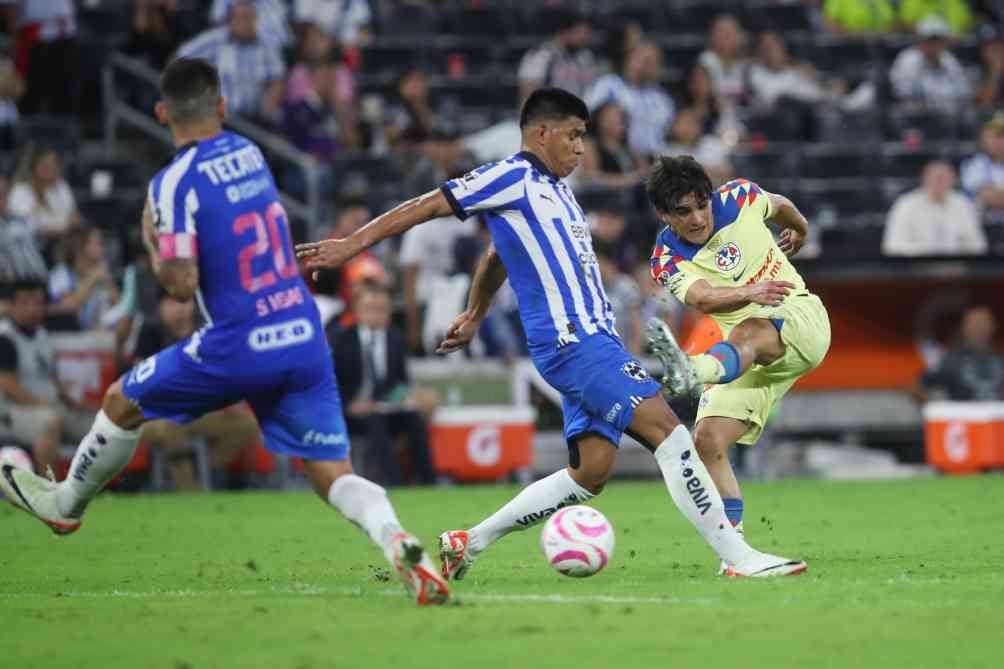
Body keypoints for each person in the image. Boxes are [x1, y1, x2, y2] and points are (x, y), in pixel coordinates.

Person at [297, 87, 808, 579]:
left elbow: (499, 253)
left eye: (584, 137)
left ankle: (468, 542)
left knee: (591, 473)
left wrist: (476, 311)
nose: (581, 148)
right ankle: (738, 554)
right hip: (573, 344)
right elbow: (429, 203)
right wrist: (351, 244)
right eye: (574, 136)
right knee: (669, 433)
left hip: (593, 341)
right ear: (542, 132)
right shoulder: (511, 176)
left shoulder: (557, 192)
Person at [0, 58, 449, 606]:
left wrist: (150, 237)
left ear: (161, 112)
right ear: (223, 106)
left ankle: (66, 506)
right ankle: (397, 539)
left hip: (237, 340)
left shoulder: (171, 184)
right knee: (332, 471)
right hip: (301, 332)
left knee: (121, 401)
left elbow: (182, 286)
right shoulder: (250, 152)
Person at [645, 156, 830, 574]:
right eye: (683, 211)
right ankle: (737, 555)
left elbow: (780, 203)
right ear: (663, 215)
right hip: (743, 354)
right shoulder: (665, 257)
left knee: (748, 329)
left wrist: (800, 230)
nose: (697, 217)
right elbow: (704, 298)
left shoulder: (741, 196)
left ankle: (692, 372)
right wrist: (752, 289)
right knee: (707, 441)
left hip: (801, 321)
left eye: (701, 205)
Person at [131, 293, 261, 492]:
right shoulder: (150, 330)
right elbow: (140, 385)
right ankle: (190, 490)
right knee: (171, 427)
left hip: (197, 412)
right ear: (161, 307)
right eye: (174, 303)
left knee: (247, 424)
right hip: (154, 416)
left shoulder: (204, 331)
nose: (181, 309)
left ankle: (205, 468)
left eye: (185, 302)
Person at [331, 281, 436, 486]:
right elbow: (332, 384)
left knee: (415, 419)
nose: (376, 314)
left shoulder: (394, 338)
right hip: (353, 411)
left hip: (387, 407)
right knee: (374, 422)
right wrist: (350, 405)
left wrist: (405, 398)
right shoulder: (342, 339)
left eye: (381, 310)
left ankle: (428, 482)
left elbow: (401, 381)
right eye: (370, 309)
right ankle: (392, 482)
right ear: (357, 310)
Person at [0, 282, 95, 475]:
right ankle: (49, 493)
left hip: (50, 406)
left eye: (38, 302)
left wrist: (76, 403)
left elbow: (51, 378)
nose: (33, 308)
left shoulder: (42, 335)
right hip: (14, 413)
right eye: (25, 303)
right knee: (50, 422)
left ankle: (105, 490)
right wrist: (44, 405)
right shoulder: (5, 337)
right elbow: (9, 387)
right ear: (11, 306)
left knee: (99, 424)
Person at [177, 0, 285, 123]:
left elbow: (277, 78)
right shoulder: (214, 40)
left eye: (248, 18)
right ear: (230, 20)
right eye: (240, 18)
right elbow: (180, 57)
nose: (244, 23)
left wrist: (267, 109)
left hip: (253, 120)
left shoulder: (265, 45)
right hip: (218, 118)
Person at [585, 41, 675, 157]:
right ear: (630, 59)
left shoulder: (663, 100)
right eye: (646, 60)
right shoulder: (608, 85)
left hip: (655, 158)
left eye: (655, 62)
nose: (650, 66)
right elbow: (584, 121)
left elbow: (670, 134)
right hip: (612, 156)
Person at [882, 160, 987, 256]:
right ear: (924, 178)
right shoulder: (905, 204)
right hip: (914, 270)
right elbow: (893, 246)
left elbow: (977, 245)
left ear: (953, 180)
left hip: (956, 269)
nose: (939, 181)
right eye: (935, 177)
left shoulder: (963, 205)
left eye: (944, 177)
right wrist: (928, 254)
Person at [888, 16, 971, 116]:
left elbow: (964, 93)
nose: (933, 45)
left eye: (938, 40)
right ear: (920, 40)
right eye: (929, 40)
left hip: (950, 118)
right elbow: (903, 95)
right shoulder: (908, 59)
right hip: (916, 118)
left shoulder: (949, 60)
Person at [919, 306, 1004, 401]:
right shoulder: (951, 360)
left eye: (984, 323)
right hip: (962, 414)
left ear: (993, 326)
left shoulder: (1001, 359)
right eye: (975, 323)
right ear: (964, 327)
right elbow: (921, 385)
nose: (980, 328)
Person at [517, 9, 596, 103]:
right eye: (578, 32)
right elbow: (527, 96)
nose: (583, 38)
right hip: (549, 113)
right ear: (563, 32)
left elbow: (592, 91)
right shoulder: (540, 56)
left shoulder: (585, 57)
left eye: (586, 33)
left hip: (579, 113)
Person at [8, 144, 79, 243]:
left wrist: (60, 229)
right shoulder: (20, 192)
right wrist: (64, 228)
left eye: (55, 165)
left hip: (63, 244)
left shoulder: (61, 187)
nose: (52, 170)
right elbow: (31, 229)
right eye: (46, 165)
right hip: (32, 247)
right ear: (33, 168)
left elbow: (75, 219)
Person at [961, 112, 1004, 226]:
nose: (1000, 141)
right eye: (995, 136)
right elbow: (990, 198)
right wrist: (995, 196)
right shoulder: (974, 165)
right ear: (983, 139)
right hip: (987, 229)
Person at [822, 0, 896, 34]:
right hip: (849, 47)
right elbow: (830, 24)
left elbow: (893, 22)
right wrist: (853, 35)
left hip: (881, 46)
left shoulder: (883, 1)